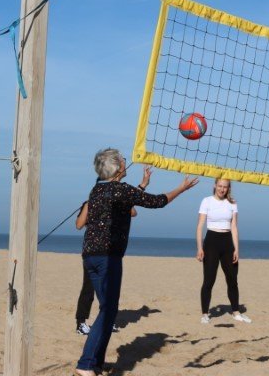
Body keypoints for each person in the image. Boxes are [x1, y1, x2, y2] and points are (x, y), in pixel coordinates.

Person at [75, 149, 198, 376]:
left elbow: (125, 202)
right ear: (117, 167)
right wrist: (181, 188)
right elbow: (157, 202)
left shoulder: (97, 190)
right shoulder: (119, 190)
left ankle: (95, 365)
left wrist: (141, 186)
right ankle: (85, 366)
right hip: (107, 257)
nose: (126, 162)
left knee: (108, 311)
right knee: (107, 311)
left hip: (90, 255)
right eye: (122, 160)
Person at [74, 202, 135, 335]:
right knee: (88, 288)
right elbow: (79, 225)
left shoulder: (115, 203)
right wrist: (88, 207)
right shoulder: (89, 203)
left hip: (111, 253)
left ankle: (107, 321)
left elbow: (133, 213)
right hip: (92, 253)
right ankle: (81, 323)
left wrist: (127, 198)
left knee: (109, 289)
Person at [196, 178, 251, 324]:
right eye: (220, 186)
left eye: (225, 187)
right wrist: (200, 248)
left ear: (228, 188)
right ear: (215, 186)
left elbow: (234, 228)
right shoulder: (206, 201)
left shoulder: (232, 203)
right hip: (211, 241)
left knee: (232, 280)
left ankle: (236, 312)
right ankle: (205, 314)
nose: (222, 189)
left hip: (227, 242)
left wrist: (236, 249)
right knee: (209, 280)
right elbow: (200, 226)